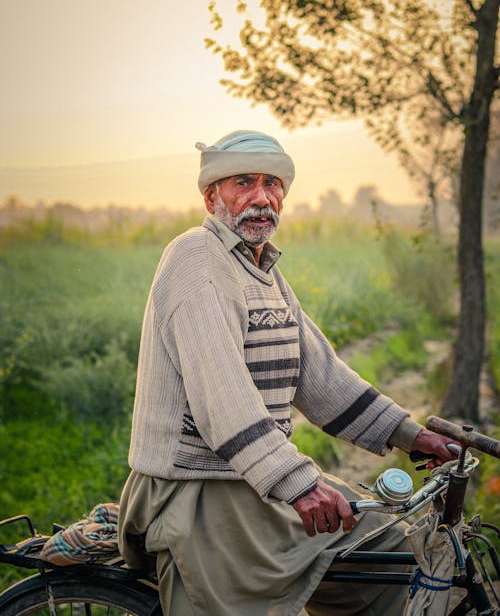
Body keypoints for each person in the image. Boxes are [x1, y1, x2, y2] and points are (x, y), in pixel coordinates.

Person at [118, 130, 455, 616]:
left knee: (391, 553)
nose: (262, 198)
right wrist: (299, 483)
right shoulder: (196, 258)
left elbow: (321, 378)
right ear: (211, 196)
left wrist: (410, 435)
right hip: (203, 490)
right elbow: (223, 399)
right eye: (243, 183)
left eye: (272, 184)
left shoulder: (263, 270)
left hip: (256, 479)